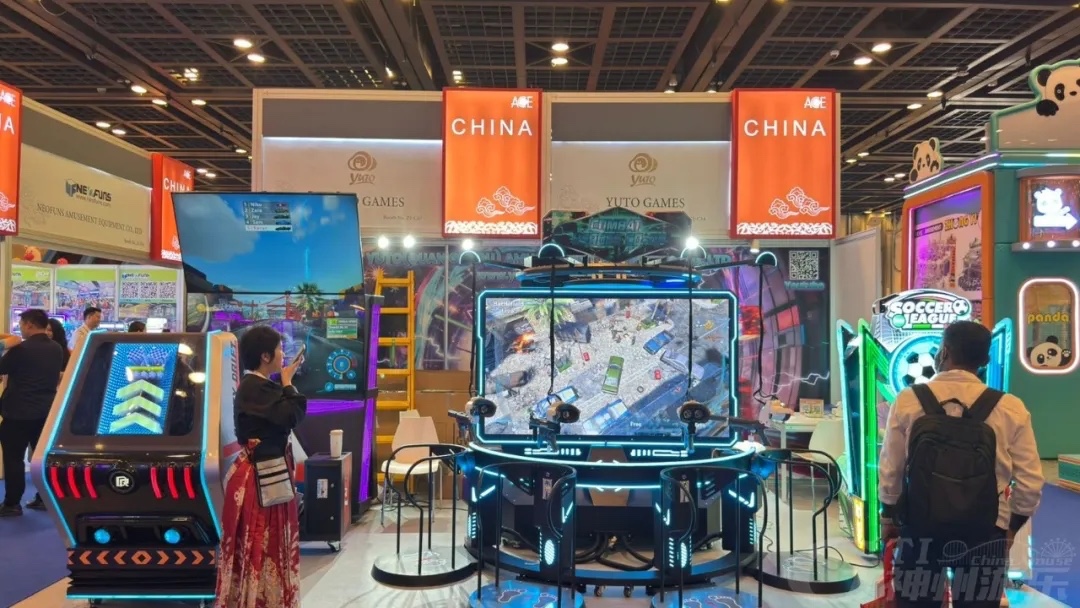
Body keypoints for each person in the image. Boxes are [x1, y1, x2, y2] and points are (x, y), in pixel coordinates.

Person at [879, 321, 1044, 608]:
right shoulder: (1010, 407)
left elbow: (891, 469)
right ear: (985, 361)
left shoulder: (908, 400)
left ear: (943, 352)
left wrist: (889, 518)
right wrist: (1009, 532)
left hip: (921, 526)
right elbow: (1030, 484)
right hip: (985, 531)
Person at [215, 326, 306, 608]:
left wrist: (285, 382)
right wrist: (288, 382)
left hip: (262, 476)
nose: (282, 354)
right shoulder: (256, 388)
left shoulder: (256, 386)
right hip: (261, 480)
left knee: (263, 543)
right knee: (262, 542)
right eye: (279, 349)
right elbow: (292, 414)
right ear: (265, 356)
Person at [0, 309, 66, 516]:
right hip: (46, 412)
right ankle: (44, 499)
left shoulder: (21, 349)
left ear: (29, 324)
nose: (20, 328)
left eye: (21, 324)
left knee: (14, 459)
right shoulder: (56, 348)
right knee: (42, 459)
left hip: (17, 414)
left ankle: (12, 503)